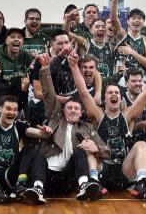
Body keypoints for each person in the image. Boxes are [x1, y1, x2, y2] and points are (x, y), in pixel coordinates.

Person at [69, 47, 146, 200]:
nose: (114, 94)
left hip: (125, 171)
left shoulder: (128, 114)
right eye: (110, 92)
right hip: (103, 168)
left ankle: (141, 182)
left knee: (141, 144)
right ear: (105, 98)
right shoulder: (97, 114)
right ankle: (94, 183)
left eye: (117, 92)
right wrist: (74, 66)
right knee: (89, 145)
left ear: (121, 98)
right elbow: (83, 92)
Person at [23, 53, 110, 204]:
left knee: (80, 152)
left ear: (81, 112)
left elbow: (107, 151)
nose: (73, 110)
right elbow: (49, 94)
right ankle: (37, 189)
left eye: (77, 108)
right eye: (69, 107)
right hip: (47, 176)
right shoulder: (55, 119)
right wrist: (44, 68)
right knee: (39, 156)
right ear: (63, 111)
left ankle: (84, 185)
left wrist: (96, 148)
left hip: (69, 178)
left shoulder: (88, 127)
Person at [0, 95, 52, 204]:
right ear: (0, 109)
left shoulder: (18, 126)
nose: (12, 113)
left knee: (30, 148)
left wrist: (45, 133)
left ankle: (20, 184)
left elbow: (35, 132)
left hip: (9, 175)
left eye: (15, 110)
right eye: (8, 108)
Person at [111, 0, 146, 83]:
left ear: (143, 23)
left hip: (141, 82)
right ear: (128, 21)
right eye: (133, 18)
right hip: (122, 81)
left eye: (139, 18)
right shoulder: (123, 35)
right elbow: (114, 20)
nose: (136, 21)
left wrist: (132, 52)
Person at [123, 67, 146, 144]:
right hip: (128, 142)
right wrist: (141, 125)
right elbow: (122, 129)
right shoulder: (122, 101)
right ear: (126, 83)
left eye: (140, 81)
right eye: (134, 81)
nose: (138, 84)